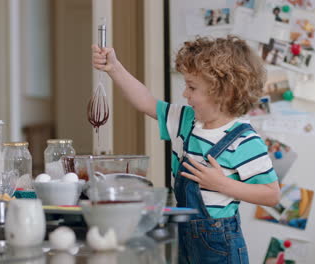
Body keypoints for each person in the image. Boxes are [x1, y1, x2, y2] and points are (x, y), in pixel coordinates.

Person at [92, 35, 280, 264]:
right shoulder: (185, 120)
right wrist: (114, 68)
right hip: (184, 239)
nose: (185, 94)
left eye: (192, 87)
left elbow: (271, 194)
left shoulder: (245, 141)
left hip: (220, 247)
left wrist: (223, 185)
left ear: (224, 93)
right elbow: (146, 101)